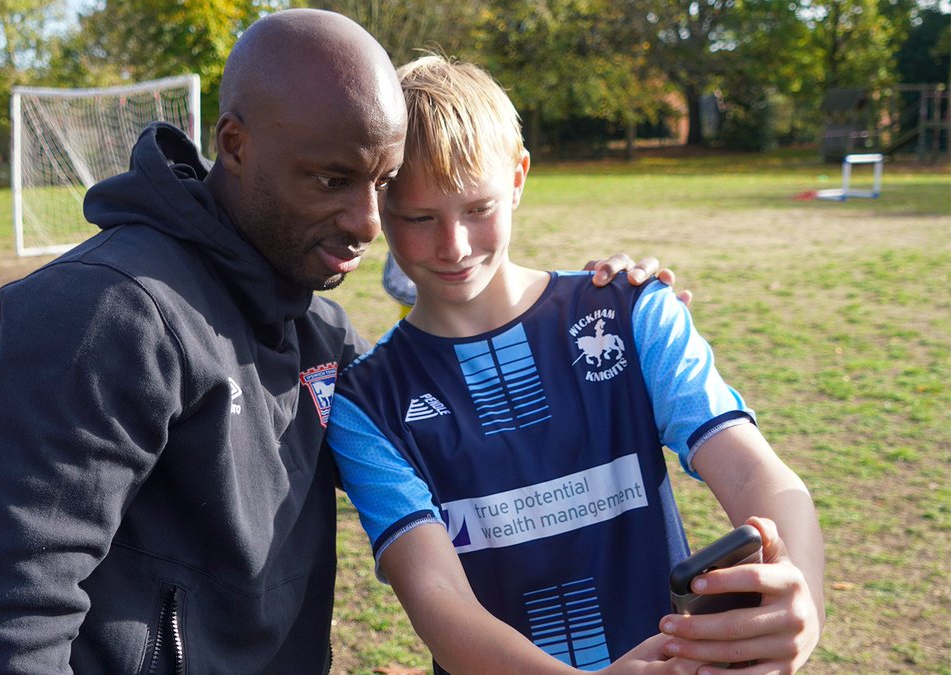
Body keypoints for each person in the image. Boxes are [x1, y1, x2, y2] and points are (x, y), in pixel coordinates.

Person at [0, 10, 676, 672]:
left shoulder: (320, 333)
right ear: (235, 144)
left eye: (380, 183)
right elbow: (9, 622)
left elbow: (468, 441)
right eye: (331, 180)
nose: (366, 223)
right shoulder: (103, 312)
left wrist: (602, 305)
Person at [326, 55, 825, 674]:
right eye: (419, 218)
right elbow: (437, 599)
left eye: (477, 208)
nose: (453, 246)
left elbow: (759, 474)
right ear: (380, 208)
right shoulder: (364, 405)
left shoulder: (632, 311)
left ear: (518, 177)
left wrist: (801, 597)